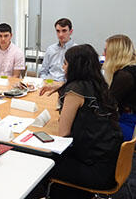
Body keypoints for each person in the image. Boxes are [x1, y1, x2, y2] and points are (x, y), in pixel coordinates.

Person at [41, 44, 123, 199]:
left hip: (94, 170)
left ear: (75, 67)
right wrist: (62, 88)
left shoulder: (75, 90)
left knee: (41, 162)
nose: (63, 67)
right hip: (109, 161)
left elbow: (63, 132)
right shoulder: (98, 84)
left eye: (65, 63)